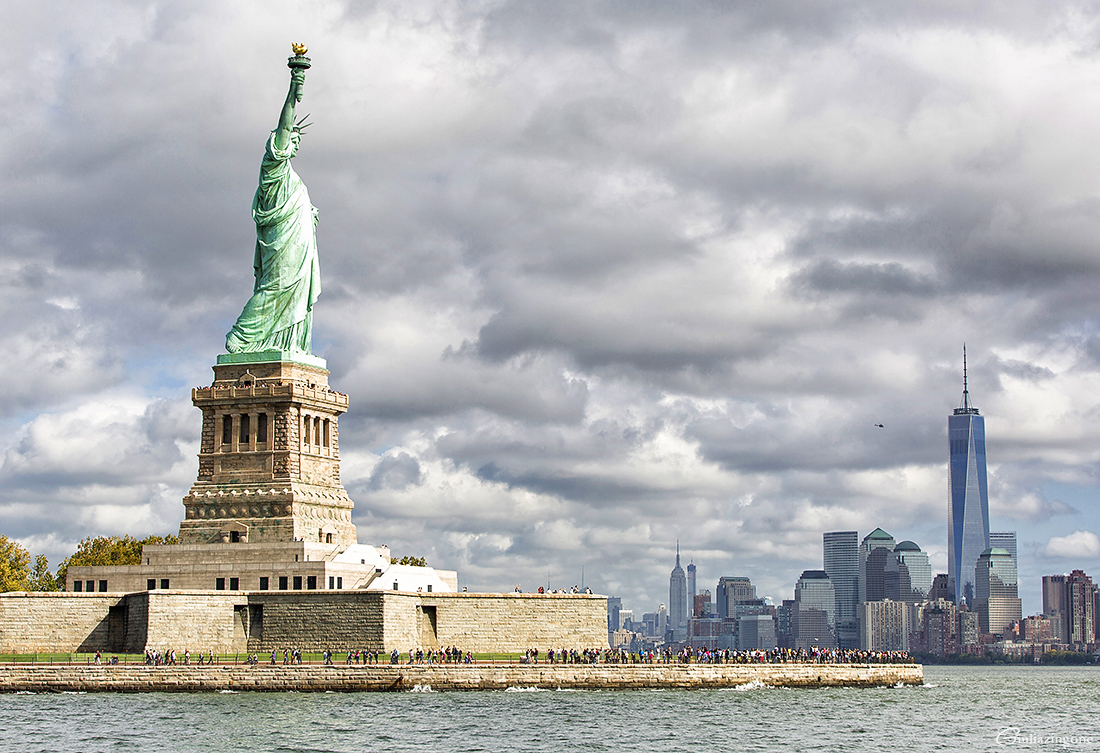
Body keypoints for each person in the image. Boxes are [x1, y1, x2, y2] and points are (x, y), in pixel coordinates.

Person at [226, 57, 320, 355]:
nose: (294, 142)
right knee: (275, 288)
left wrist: (310, 214)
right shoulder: (274, 167)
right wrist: (295, 86)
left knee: (292, 292)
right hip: (282, 245)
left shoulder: (294, 180)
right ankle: (241, 337)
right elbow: (284, 124)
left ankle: (287, 343)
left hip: (300, 246)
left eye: (295, 141)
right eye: (291, 138)